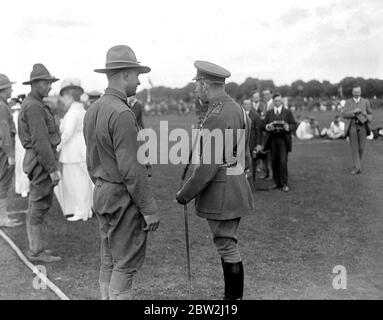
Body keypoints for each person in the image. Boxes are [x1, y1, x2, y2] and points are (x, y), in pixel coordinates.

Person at [84, 45, 160, 300]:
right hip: (121, 196)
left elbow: (90, 159)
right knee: (125, 263)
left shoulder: (93, 109)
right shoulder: (122, 113)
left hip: (101, 192)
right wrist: (148, 208)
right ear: (125, 74)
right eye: (137, 74)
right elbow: (132, 170)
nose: (139, 80)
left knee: (109, 258)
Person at [176, 61, 254, 300]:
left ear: (204, 84)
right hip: (236, 186)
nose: (195, 90)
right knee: (227, 244)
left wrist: (185, 194)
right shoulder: (239, 110)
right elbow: (246, 158)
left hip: (222, 192)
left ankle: (232, 300)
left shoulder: (216, 115)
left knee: (226, 245)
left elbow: (207, 167)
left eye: (196, 85)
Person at [18, 64, 62, 262]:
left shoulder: (35, 103)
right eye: (46, 83)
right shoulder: (34, 106)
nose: (50, 87)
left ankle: (37, 249)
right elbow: (41, 141)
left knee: (39, 204)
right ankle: (36, 251)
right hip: (41, 161)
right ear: (35, 84)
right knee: (38, 204)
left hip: (39, 159)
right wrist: (52, 169)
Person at [54, 78, 93, 221]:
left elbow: (67, 134)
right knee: (84, 182)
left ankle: (81, 212)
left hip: (73, 153)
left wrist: (57, 146)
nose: (63, 100)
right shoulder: (82, 110)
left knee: (77, 183)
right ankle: (86, 211)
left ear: (69, 96)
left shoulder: (72, 113)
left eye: (64, 97)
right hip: (82, 150)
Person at [263, 92, 298, 192]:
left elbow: (294, 124)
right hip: (272, 140)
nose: (277, 102)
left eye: (279, 100)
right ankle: (276, 182)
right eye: (275, 101)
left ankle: (284, 183)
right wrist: (267, 126)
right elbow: (263, 125)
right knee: (274, 161)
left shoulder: (287, 112)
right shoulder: (269, 113)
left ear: (281, 101)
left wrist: (289, 127)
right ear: (273, 102)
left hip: (283, 140)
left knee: (283, 161)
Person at [0, 73, 21, 227]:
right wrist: (10, 155)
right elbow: (5, 133)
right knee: (3, 183)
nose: (11, 91)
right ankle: (2, 218)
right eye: (9, 88)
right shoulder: (2, 107)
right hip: (4, 151)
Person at [341, 85, 372, 175]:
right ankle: (357, 167)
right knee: (354, 148)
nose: (356, 94)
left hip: (363, 126)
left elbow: (370, 114)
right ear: (352, 92)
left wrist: (365, 114)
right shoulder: (348, 102)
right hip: (352, 126)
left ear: (360, 92)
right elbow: (344, 114)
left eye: (358, 92)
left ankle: (357, 165)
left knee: (361, 147)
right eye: (355, 92)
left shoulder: (366, 101)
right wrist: (353, 112)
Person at [11, 101, 30, 197]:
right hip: (21, 143)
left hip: (19, 143)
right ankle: (24, 189)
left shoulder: (15, 116)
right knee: (23, 165)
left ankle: (21, 189)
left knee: (20, 165)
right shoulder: (18, 117)